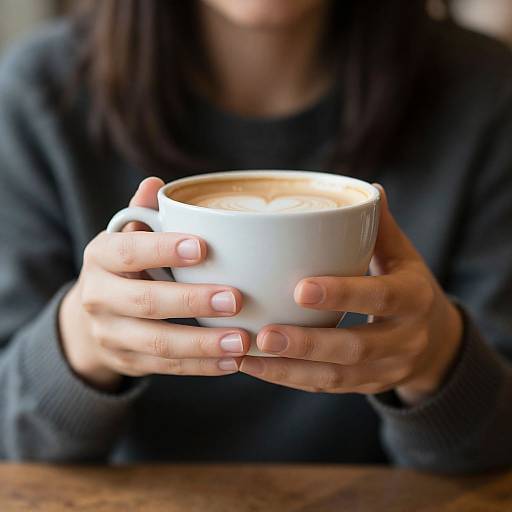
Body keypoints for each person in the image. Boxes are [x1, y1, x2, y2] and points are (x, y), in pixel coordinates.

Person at [0, 0, 511, 472]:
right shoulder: (41, 94)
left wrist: (437, 356)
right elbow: (12, 443)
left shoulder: (488, 93)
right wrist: (82, 344)